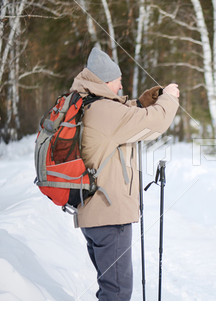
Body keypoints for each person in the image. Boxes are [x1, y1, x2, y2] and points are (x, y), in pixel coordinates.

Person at [70, 47, 179, 300]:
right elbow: (156, 122)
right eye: (118, 81)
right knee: (117, 294)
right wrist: (170, 98)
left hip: (93, 212)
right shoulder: (104, 111)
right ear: (106, 81)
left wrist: (142, 102)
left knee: (109, 289)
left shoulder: (88, 104)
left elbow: (123, 116)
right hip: (109, 215)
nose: (120, 86)